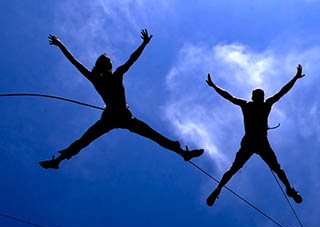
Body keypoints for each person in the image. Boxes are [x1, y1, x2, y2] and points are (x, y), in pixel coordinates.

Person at [40, 29, 203, 170]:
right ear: (106, 66)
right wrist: (60, 45)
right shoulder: (105, 77)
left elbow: (131, 59)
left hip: (121, 117)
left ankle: (183, 153)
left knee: (151, 135)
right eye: (108, 63)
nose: (110, 65)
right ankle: (59, 161)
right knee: (85, 139)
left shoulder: (106, 76)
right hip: (115, 117)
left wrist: (144, 44)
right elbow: (76, 62)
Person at [205, 65, 305, 206]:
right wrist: (214, 86)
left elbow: (282, 92)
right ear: (255, 97)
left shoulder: (253, 105)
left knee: (271, 168)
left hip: (255, 142)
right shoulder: (254, 105)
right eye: (259, 96)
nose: (260, 98)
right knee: (271, 168)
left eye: (260, 96)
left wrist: (295, 78)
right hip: (255, 142)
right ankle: (218, 189)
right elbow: (228, 96)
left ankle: (290, 189)